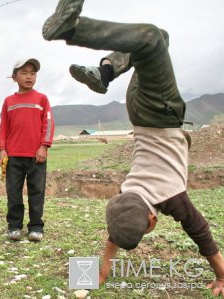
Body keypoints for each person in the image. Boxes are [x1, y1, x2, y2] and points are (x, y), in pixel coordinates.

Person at [42, 0, 224, 296]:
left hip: (160, 114)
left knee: (150, 38)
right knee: (158, 39)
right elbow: (118, 229)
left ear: (152, 222)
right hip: (139, 114)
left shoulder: (171, 198)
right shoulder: (126, 191)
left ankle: (72, 29)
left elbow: (202, 235)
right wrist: (102, 270)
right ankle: (106, 72)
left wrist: (222, 277)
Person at [0, 58, 54, 242]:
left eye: (32, 73)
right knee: (13, 192)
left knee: (36, 192)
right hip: (13, 156)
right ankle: (14, 226)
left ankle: (36, 227)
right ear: (14, 77)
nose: (29, 76)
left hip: (36, 156)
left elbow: (48, 123)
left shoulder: (42, 99)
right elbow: (3, 127)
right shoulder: (9, 101)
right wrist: (2, 150)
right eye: (24, 72)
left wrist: (44, 146)